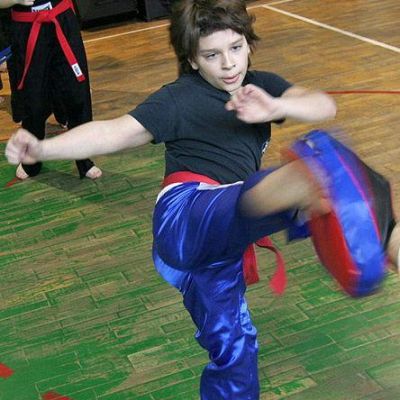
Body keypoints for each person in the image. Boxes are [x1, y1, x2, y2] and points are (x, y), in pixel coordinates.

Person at [5, 0, 400, 398]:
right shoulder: (178, 98)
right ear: (192, 60)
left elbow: (323, 105)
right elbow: (115, 132)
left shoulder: (261, 86)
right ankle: (323, 198)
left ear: (247, 43)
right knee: (319, 162)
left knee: (235, 347)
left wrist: (277, 105)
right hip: (187, 216)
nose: (229, 64)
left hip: (222, 251)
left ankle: (376, 232)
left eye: (236, 48)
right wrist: (43, 149)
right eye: (212, 55)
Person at [0, 0, 101, 180]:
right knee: (33, 102)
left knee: (77, 94)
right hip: (26, 28)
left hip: (62, 19)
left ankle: (84, 159)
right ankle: (31, 160)